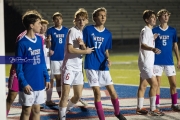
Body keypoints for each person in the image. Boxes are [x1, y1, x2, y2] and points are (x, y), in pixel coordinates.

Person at [83, 7, 126, 120]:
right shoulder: (88, 30)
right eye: (100, 15)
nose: (103, 17)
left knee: (112, 91)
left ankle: (117, 113)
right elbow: (83, 45)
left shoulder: (108, 34)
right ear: (95, 18)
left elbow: (106, 50)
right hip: (91, 65)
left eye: (104, 15)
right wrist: (83, 48)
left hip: (103, 65)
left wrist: (108, 59)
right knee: (97, 92)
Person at [58, 8, 94, 120]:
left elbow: (81, 48)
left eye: (83, 20)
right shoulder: (72, 31)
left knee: (77, 96)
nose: (81, 22)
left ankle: (64, 112)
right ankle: (61, 117)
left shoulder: (82, 32)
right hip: (69, 67)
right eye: (79, 20)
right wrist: (85, 51)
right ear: (75, 20)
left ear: (87, 21)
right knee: (65, 95)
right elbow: (70, 50)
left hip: (78, 67)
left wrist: (83, 45)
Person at [15, 10, 50, 120]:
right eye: (39, 23)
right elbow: (18, 66)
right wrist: (24, 83)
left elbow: (42, 60)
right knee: (26, 111)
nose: (41, 26)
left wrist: (47, 77)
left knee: (36, 110)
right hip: (27, 84)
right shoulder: (21, 43)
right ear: (31, 25)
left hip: (39, 82)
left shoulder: (39, 40)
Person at [136, 10, 164, 116]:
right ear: (147, 20)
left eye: (154, 17)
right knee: (155, 84)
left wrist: (153, 38)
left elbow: (145, 42)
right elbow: (143, 45)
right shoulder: (146, 30)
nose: (154, 18)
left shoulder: (149, 31)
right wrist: (152, 48)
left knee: (143, 85)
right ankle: (153, 109)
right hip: (145, 63)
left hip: (146, 62)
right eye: (152, 17)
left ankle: (139, 108)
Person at [152, 9, 180, 111]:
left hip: (169, 61)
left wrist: (179, 59)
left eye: (167, 15)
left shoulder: (172, 30)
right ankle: (157, 105)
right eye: (164, 15)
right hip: (157, 61)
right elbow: (150, 44)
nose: (166, 17)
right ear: (159, 18)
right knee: (157, 84)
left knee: (173, 84)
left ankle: (174, 104)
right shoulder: (154, 30)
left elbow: (175, 46)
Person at [46, 12, 68, 100]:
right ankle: (61, 97)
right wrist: (48, 41)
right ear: (53, 21)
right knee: (58, 78)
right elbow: (48, 45)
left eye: (59, 18)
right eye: (56, 19)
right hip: (55, 58)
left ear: (62, 20)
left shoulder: (66, 30)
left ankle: (62, 96)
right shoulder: (50, 30)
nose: (58, 20)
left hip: (64, 58)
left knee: (64, 79)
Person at [39, 19, 57, 106]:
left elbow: (47, 47)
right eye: (43, 25)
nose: (44, 28)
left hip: (47, 63)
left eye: (46, 26)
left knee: (49, 81)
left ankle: (48, 100)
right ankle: (37, 103)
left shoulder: (44, 36)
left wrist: (48, 42)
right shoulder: (36, 36)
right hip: (40, 64)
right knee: (40, 82)